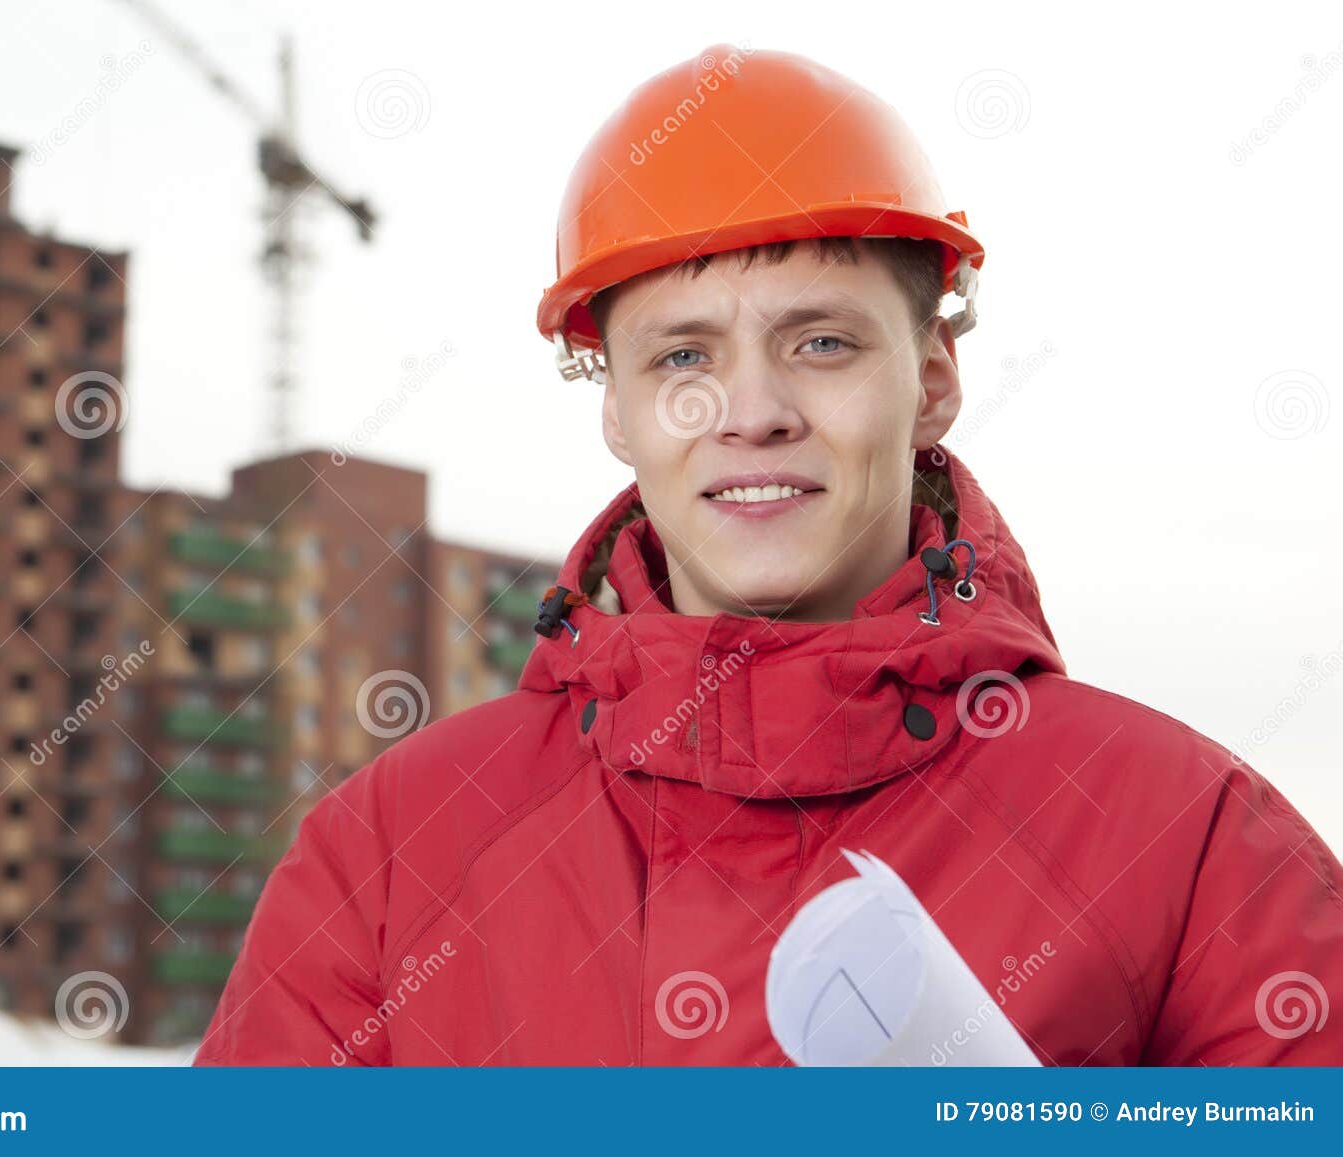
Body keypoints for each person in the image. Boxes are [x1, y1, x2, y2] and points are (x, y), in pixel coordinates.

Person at [194, 46, 1343, 1066]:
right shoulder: (393, 851)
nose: (749, 411)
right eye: (682, 358)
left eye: (822, 342)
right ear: (620, 413)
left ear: (933, 379)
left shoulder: (1184, 838)